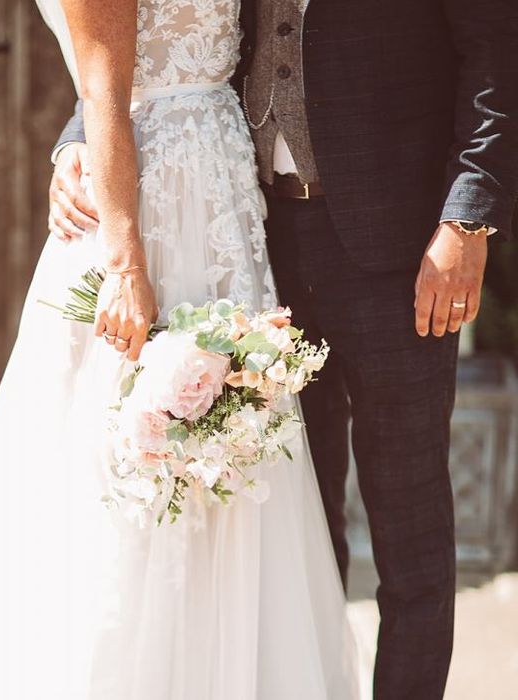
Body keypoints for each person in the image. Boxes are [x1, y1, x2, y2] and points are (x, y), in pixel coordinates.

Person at [0, 1, 363, 697]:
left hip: (225, 197)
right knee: (127, 450)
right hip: (147, 202)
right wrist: (127, 263)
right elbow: (103, 92)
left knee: (236, 434)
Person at [49, 1, 518, 699]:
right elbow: (144, 44)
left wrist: (467, 220)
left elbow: (498, 58)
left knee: (409, 526)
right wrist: (79, 136)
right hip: (258, 246)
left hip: (404, 256)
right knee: (295, 521)